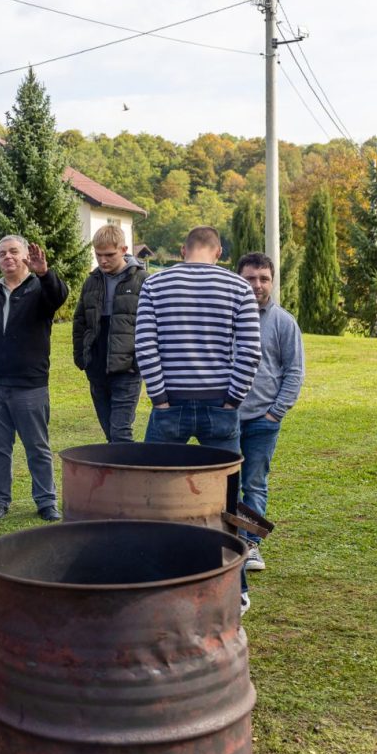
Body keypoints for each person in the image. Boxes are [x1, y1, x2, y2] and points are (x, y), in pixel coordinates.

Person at [134, 226, 261, 614]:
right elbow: (250, 351)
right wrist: (232, 398)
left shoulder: (156, 284)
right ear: (219, 252)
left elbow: (144, 345)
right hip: (218, 407)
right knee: (225, 500)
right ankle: (234, 589)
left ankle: (154, 580)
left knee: (156, 496)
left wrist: (159, 396)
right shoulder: (238, 288)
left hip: (169, 406)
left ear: (182, 249)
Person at [0, 235, 68, 521]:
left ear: (24, 257)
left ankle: (46, 501)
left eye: (13, 252)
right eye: (2, 253)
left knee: (37, 447)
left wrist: (45, 272)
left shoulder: (40, 290)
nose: (7, 257)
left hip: (29, 386)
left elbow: (59, 296)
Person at [235, 252, 305, 574]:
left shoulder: (283, 322)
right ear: (238, 279)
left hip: (263, 420)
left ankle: (250, 545)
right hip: (226, 418)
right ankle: (226, 542)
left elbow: (294, 372)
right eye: (250, 278)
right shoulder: (226, 317)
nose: (257, 285)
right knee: (223, 483)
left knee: (254, 483)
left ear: (272, 282)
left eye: (263, 278)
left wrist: (275, 413)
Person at [72, 225, 147, 442]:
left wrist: (138, 361)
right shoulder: (92, 281)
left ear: (123, 249)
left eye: (109, 255)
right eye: (98, 255)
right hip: (96, 369)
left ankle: (127, 476)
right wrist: (82, 357)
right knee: (109, 432)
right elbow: (80, 321)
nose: (103, 260)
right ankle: (119, 474)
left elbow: (153, 326)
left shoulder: (142, 280)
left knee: (120, 433)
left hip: (127, 370)